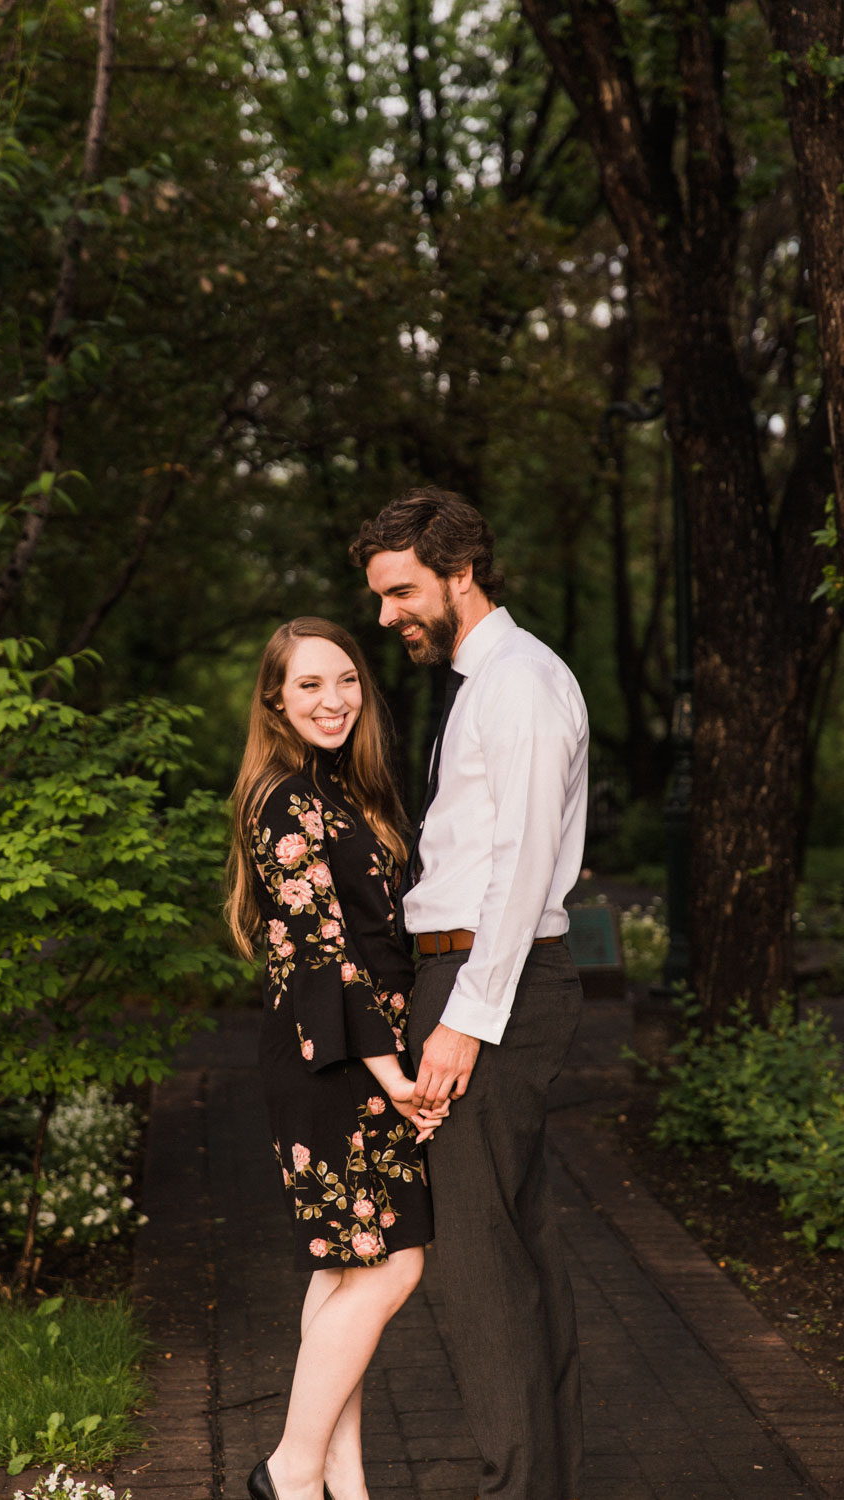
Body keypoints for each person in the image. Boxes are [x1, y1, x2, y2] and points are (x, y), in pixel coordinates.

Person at [350, 488, 589, 1500]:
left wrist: (463, 1018)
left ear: (459, 571)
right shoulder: (480, 681)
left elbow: (524, 866)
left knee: (480, 1268)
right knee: (515, 1251)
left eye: (400, 591)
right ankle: (541, 1484)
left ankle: (516, 1489)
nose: (385, 616)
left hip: (491, 980)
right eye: (377, 597)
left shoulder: (521, 684)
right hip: (474, 975)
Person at [226, 616, 448, 1500]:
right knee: (394, 1262)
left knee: (345, 1264)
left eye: (346, 680)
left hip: (361, 1053)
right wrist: (393, 1070)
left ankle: (338, 1482)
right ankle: (289, 1468)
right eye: (310, 685)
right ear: (276, 701)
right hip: (336, 1060)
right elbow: (325, 952)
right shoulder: (283, 797)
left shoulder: (343, 790)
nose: (333, 699)